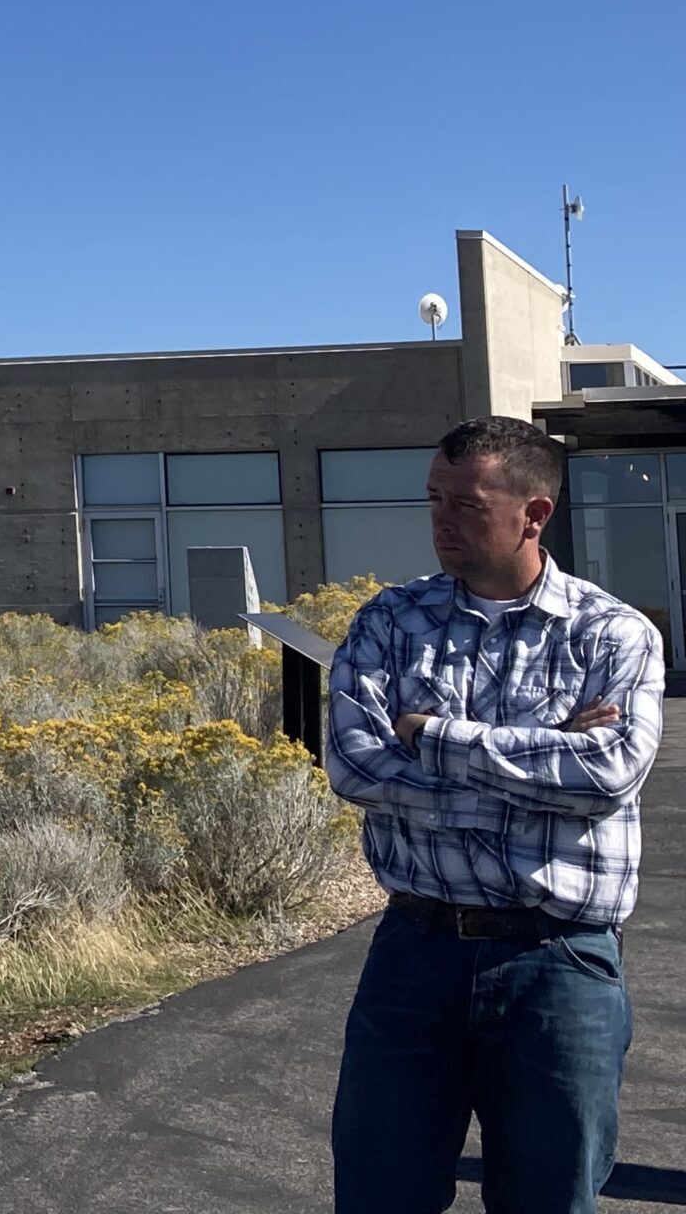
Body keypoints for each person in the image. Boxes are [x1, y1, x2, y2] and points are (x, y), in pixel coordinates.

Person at [325, 415, 664, 1213]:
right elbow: (355, 767)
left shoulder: (613, 635)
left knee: (549, 1198)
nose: (441, 520)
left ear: (534, 513)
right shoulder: (388, 624)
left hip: (560, 966)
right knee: (380, 1193)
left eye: (467, 505)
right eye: (433, 499)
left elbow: (609, 772)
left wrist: (433, 739)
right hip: (415, 952)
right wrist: (544, 762)